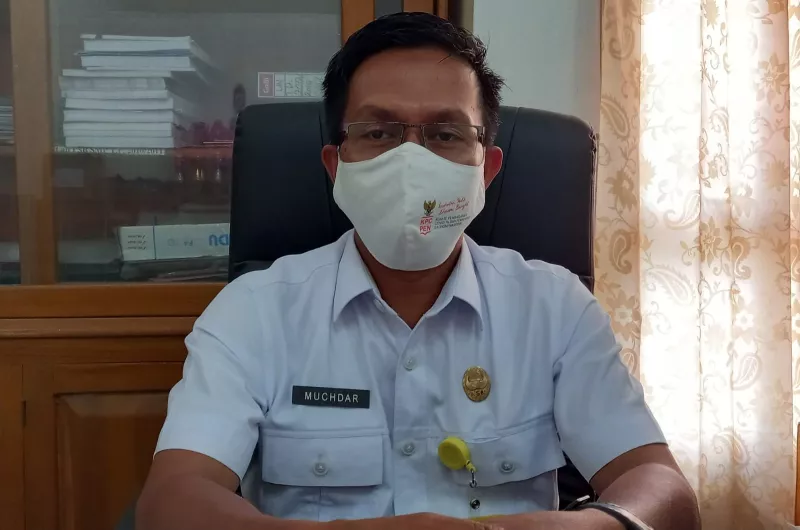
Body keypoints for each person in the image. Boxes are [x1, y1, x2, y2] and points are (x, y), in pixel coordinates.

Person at [136, 12, 700, 530]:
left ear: (487, 169)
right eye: (378, 133)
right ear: (336, 164)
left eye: (445, 134)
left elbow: (662, 490)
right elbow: (173, 501)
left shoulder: (556, 309)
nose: (411, 160)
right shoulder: (252, 312)